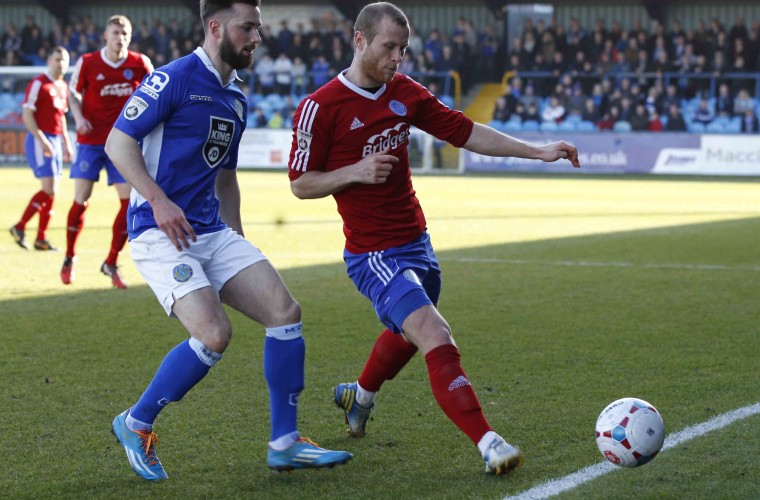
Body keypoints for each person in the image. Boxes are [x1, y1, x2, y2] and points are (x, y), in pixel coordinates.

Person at [287, 1, 579, 476]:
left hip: (417, 243)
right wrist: (356, 171)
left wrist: (538, 151)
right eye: (388, 47)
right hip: (373, 252)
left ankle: (359, 397)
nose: (397, 57)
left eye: (402, 48)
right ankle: (489, 441)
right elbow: (301, 184)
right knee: (433, 332)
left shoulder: (405, 92)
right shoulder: (320, 107)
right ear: (360, 40)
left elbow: (464, 132)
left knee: (407, 335)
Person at [104, 0, 352, 482]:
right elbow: (118, 142)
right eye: (248, 27)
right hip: (159, 232)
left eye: (258, 27)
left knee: (285, 313)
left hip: (212, 232)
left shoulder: (236, 95)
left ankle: (285, 442)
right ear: (216, 27)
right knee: (214, 335)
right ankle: (135, 422)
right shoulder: (173, 78)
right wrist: (157, 200)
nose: (257, 37)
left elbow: (226, 176)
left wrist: (238, 240)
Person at [62, 15, 154, 288]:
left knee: (128, 205)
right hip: (90, 141)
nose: (120, 37)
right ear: (106, 35)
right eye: (115, 32)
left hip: (124, 143)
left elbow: (157, 95)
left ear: (130, 35)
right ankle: (69, 257)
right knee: (81, 198)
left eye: (124, 33)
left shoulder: (140, 63)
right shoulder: (88, 62)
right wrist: (77, 117)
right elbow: (73, 93)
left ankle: (111, 261)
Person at [10, 46, 73, 251]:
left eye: (64, 60)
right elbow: (27, 114)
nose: (60, 64)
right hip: (40, 139)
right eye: (57, 59)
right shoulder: (39, 83)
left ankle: (41, 238)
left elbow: (60, 117)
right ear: (48, 61)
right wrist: (42, 139)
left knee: (53, 192)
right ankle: (19, 226)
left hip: (55, 140)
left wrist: (66, 142)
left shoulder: (63, 85)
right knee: (49, 188)